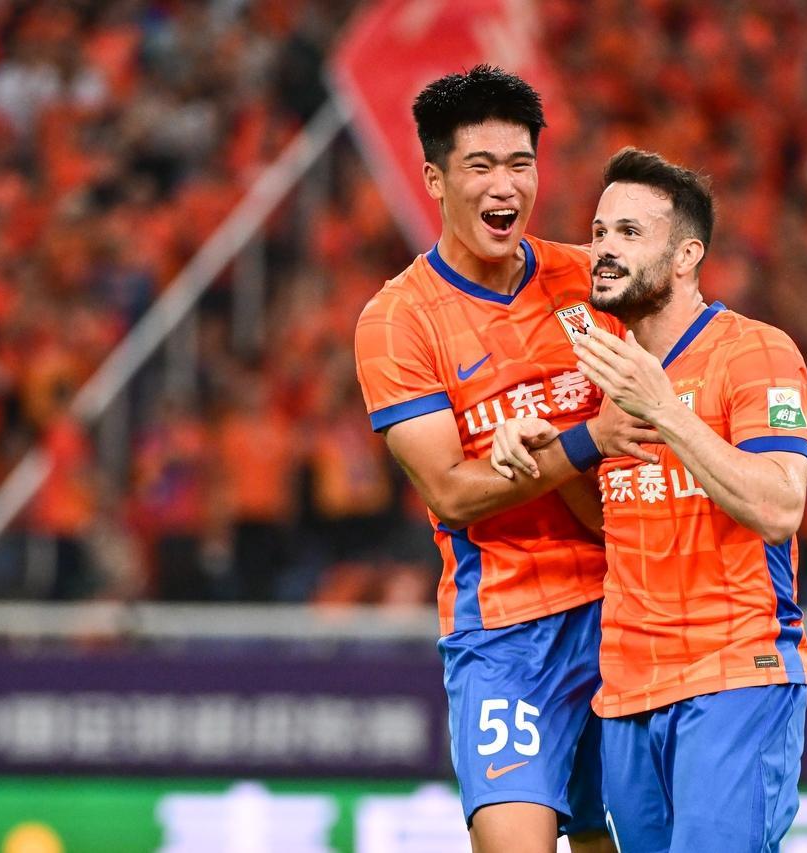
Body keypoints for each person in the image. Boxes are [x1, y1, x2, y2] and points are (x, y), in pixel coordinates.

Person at [353, 66, 655, 853]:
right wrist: (581, 440)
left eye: (520, 163)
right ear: (435, 179)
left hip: (624, 609)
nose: (505, 185)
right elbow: (451, 491)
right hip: (506, 631)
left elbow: (656, 422)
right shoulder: (399, 320)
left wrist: (573, 448)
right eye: (481, 165)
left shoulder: (590, 280)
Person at [491, 147, 807, 852]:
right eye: (600, 231)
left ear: (686, 255)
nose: (604, 249)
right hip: (628, 688)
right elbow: (613, 520)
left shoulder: (755, 353)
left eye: (630, 233)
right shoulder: (606, 377)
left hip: (734, 672)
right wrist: (550, 450)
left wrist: (665, 409)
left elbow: (780, 507)